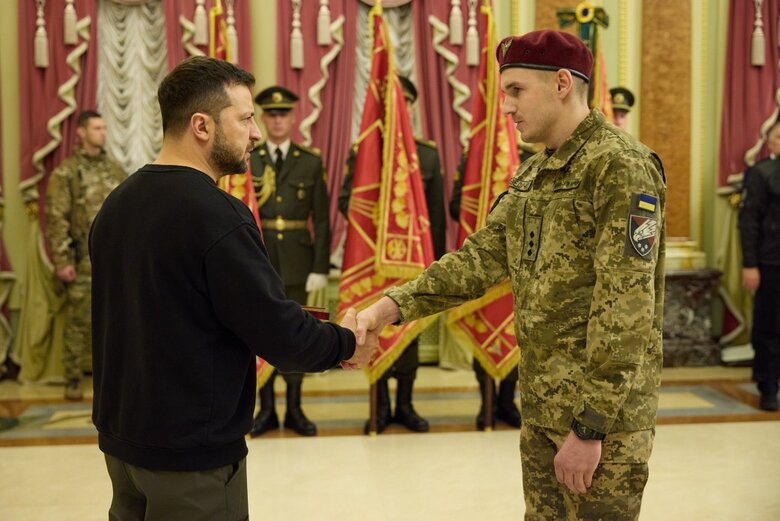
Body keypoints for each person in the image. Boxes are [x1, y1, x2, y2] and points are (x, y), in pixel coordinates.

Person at [356, 30, 666, 519]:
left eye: (516, 90)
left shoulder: (619, 167)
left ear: (562, 83)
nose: (506, 107)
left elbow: (626, 310)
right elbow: (477, 260)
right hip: (543, 408)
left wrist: (590, 429)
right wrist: (389, 307)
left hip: (602, 424)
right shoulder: (534, 173)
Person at [89, 56, 374, 521]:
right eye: (244, 119)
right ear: (202, 125)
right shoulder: (217, 214)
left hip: (123, 444)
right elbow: (278, 334)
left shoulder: (116, 205)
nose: (256, 133)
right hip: (190, 455)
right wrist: (345, 343)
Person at [339, 75, 446, 434]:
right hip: (372, 261)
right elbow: (345, 202)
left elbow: (436, 215)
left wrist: (438, 262)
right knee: (374, 332)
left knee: (409, 338)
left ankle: (406, 404)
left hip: (413, 264)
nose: (405, 108)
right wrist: (375, 230)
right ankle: (380, 405)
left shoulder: (427, 154)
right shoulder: (365, 152)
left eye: (409, 102)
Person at [247, 86, 331, 437]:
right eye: (271, 114)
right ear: (263, 119)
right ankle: (266, 409)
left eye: (283, 114)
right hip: (259, 255)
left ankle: (295, 408)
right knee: (261, 333)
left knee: (296, 335)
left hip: (298, 258)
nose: (277, 120)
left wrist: (320, 268)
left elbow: (322, 219)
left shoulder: (309, 160)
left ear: (292, 118)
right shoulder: (248, 158)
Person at [45, 110, 126, 400]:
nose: (102, 133)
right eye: (96, 128)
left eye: (105, 128)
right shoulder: (67, 172)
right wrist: (62, 260)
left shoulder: (115, 170)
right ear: (80, 132)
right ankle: (73, 379)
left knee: (118, 321)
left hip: (114, 262)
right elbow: (56, 218)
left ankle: (114, 378)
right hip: (82, 261)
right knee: (78, 323)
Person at [449, 150, 523, 431]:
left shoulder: (527, 156)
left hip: (515, 262)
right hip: (482, 257)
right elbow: (456, 204)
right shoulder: (474, 157)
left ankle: (507, 401)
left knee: (513, 334)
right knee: (483, 328)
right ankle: (486, 403)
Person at [738, 120, 780, 412]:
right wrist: (750, 264)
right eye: (778, 137)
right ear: (771, 142)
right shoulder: (761, 173)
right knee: (770, 328)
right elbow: (749, 221)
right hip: (770, 263)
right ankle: (768, 387)